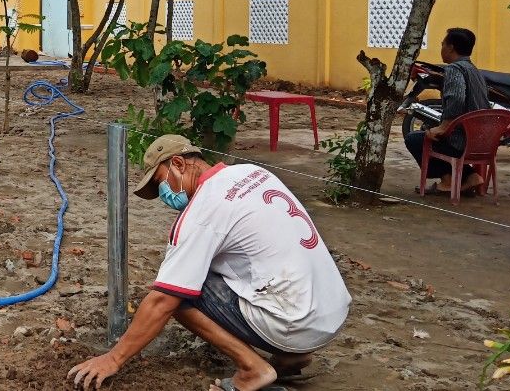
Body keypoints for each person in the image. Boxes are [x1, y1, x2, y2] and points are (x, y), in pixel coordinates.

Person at [69, 135, 351, 391]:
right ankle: (293, 357)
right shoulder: (252, 173)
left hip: (294, 322)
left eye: (160, 182)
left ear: (178, 163)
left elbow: (162, 301)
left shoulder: (202, 213)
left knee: (177, 294)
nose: (164, 195)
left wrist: (113, 358)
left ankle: (253, 369)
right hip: (330, 312)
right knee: (220, 268)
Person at [404, 27, 491, 195]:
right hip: (483, 141)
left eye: (443, 44)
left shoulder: (454, 69)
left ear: (451, 47)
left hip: (463, 141)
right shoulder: (475, 71)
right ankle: (471, 176)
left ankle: (447, 181)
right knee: (433, 137)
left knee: (415, 139)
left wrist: (443, 127)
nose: (441, 48)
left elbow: (457, 99)